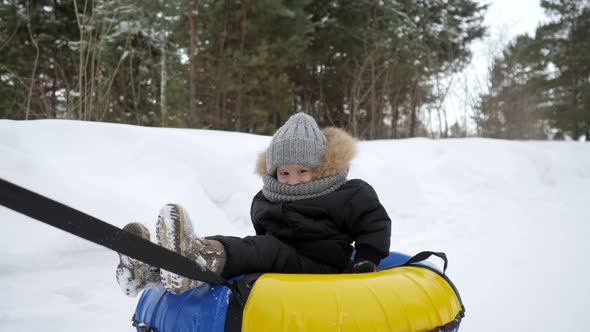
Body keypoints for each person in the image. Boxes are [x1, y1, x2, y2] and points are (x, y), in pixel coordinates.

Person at [116, 112, 392, 296]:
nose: (292, 181)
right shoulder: (268, 197)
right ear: (274, 171)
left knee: (262, 249)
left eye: (302, 171)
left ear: (320, 168)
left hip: (325, 267)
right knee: (248, 246)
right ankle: (153, 268)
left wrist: (367, 260)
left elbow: (375, 224)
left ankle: (199, 259)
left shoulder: (347, 193)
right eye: (284, 173)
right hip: (284, 261)